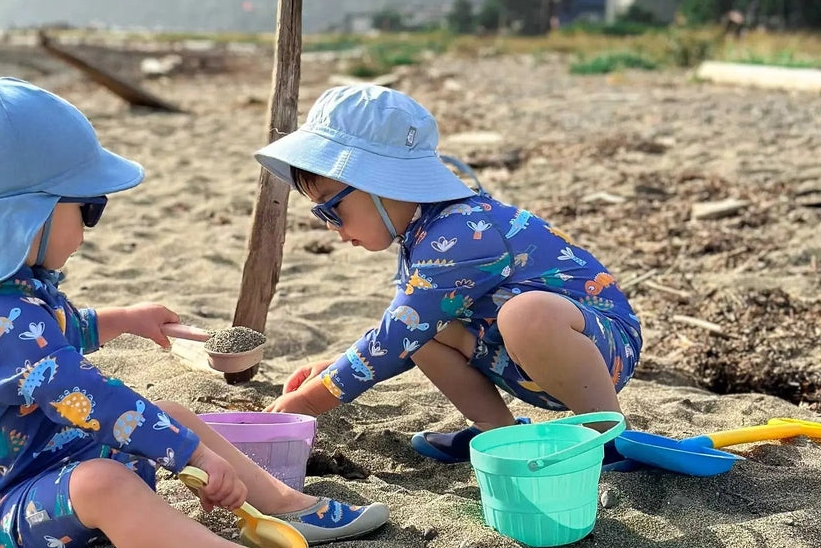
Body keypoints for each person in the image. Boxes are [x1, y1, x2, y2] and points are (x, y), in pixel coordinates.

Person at [0, 77, 388, 548]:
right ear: (27, 215)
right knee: (108, 482)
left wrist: (124, 320)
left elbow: (62, 331)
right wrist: (191, 455)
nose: (88, 229)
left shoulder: (13, 297)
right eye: (88, 208)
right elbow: (89, 396)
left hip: (51, 473)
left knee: (166, 414)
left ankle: (286, 506)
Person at [253, 85, 642, 464]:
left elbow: (395, 336)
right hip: (520, 356)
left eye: (330, 208)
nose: (328, 225)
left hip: (600, 349)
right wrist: (337, 366)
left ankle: (605, 433)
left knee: (524, 314)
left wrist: (308, 401)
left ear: (381, 183)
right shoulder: (421, 236)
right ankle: (498, 434)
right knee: (424, 330)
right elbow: (402, 334)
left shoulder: (460, 233)